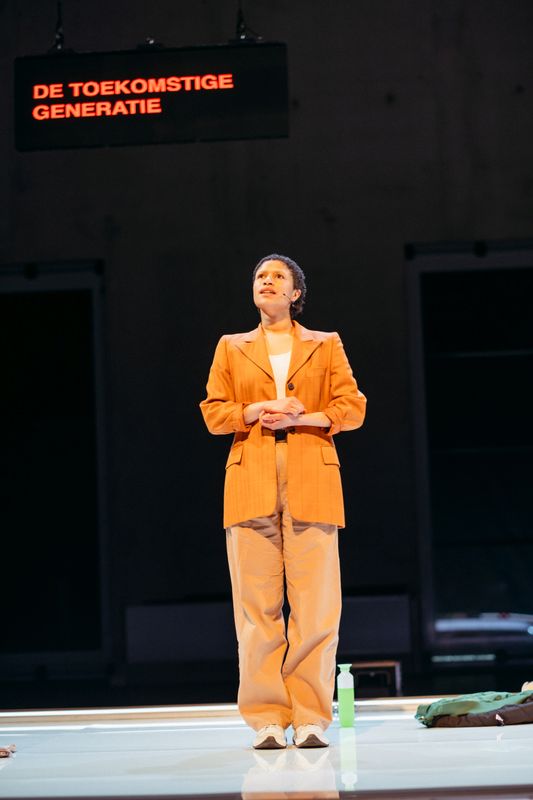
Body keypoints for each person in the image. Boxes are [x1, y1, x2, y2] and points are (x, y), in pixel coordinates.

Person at [200, 254, 366, 749]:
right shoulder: (231, 346)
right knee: (257, 611)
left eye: (278, 277)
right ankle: (268, 717)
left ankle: (311, 715)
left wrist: (303, 417)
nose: (266, 282)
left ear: (296, 293)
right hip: (251, 478)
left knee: (317, 608)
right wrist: (256, 409)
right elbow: (214, 413)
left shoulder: (325, 343)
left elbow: (352, 407)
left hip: (311, 476)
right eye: (260, 276)